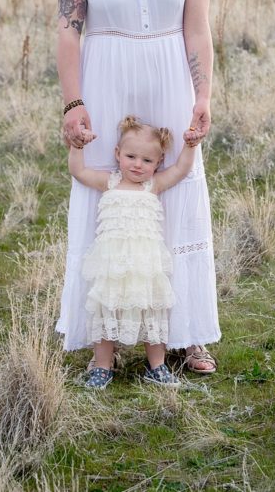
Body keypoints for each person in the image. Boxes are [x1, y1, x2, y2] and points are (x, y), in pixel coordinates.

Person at [55, 0, 220, 375]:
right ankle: (106, 331)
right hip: (105, 83)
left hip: (169, 80)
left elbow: (197, 32)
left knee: (175, 194)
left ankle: (186, 333)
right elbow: (67, 32)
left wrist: (203, 96)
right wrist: (73, 103)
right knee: (111, 198)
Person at [69, 116, 200, 388]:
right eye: (131, 156)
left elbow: (182, 169)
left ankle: (157, 366)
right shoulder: (111, 182)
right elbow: (78, 171)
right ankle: (102, 367)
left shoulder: (154, 185)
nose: (138, 165)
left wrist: (190, 145)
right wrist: (77, 146)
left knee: (152, 310)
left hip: (145, 263)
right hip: (112, 263)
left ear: (158, 162)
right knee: (107, 309)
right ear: (118, 154)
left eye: (147, 161)